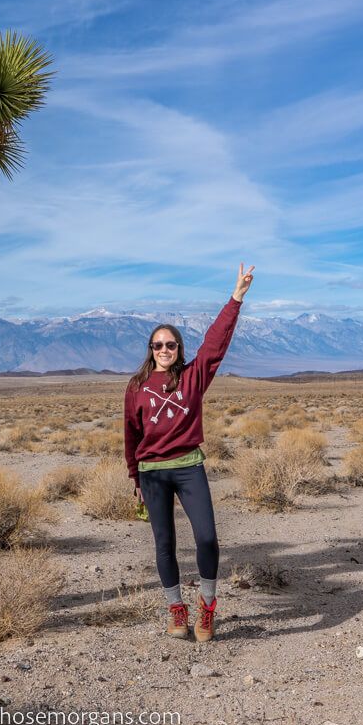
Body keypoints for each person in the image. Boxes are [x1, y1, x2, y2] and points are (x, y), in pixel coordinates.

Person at [123, 263, 254, 642]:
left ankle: (207, 609)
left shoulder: (193, 377)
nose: (164, 349)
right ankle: (176, 612)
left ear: (179, 349)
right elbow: (131, 435)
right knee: (164, 544)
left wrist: (236, 298)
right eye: (157, 345)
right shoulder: (137, 386)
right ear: (151, 350)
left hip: (188, 468)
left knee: (208, 539)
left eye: (171, 344)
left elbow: (215, 343)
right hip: (152, 473)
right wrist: (135, 478)